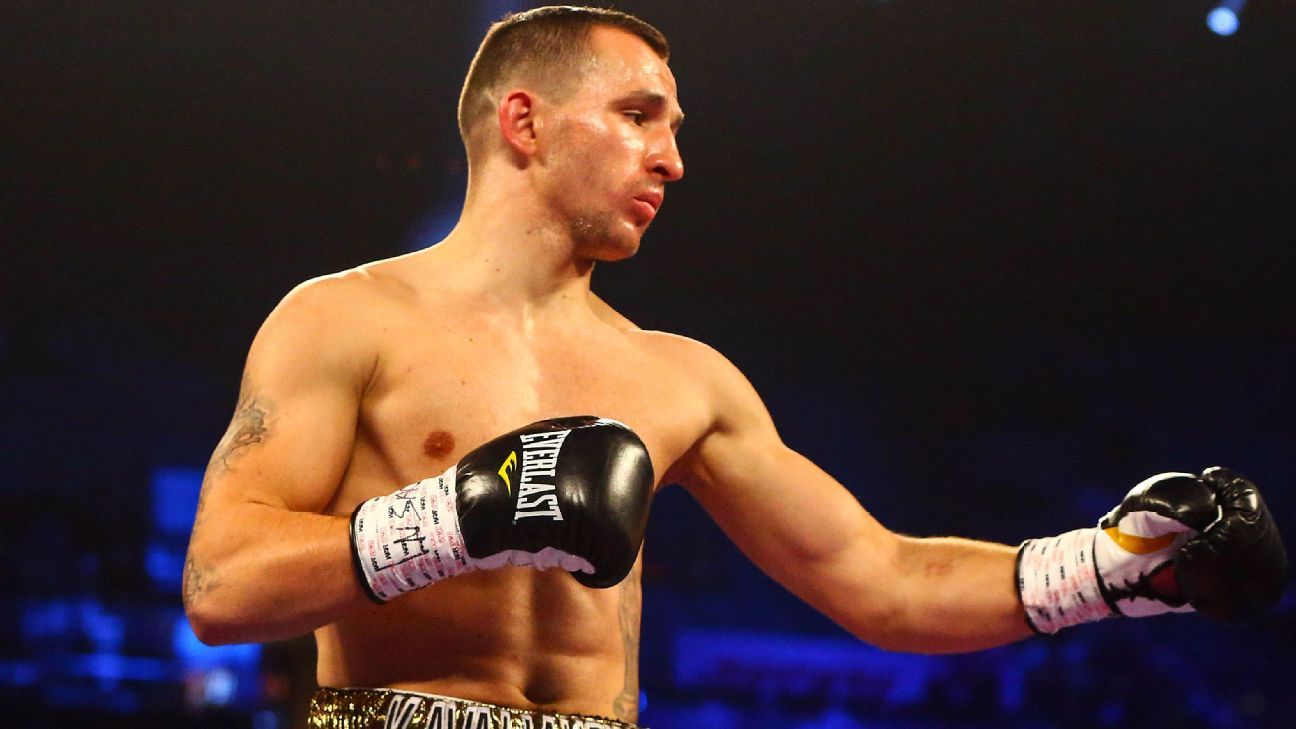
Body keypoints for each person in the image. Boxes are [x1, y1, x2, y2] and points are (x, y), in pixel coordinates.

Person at [182, 7, 1287, 729]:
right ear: (524, 121)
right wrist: (458, 518)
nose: (671, 158)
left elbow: (881, 579)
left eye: (671, 126)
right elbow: (222, 586)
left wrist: (1111, 568)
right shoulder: (345, 319)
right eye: (636, 116)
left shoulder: (682, 380)